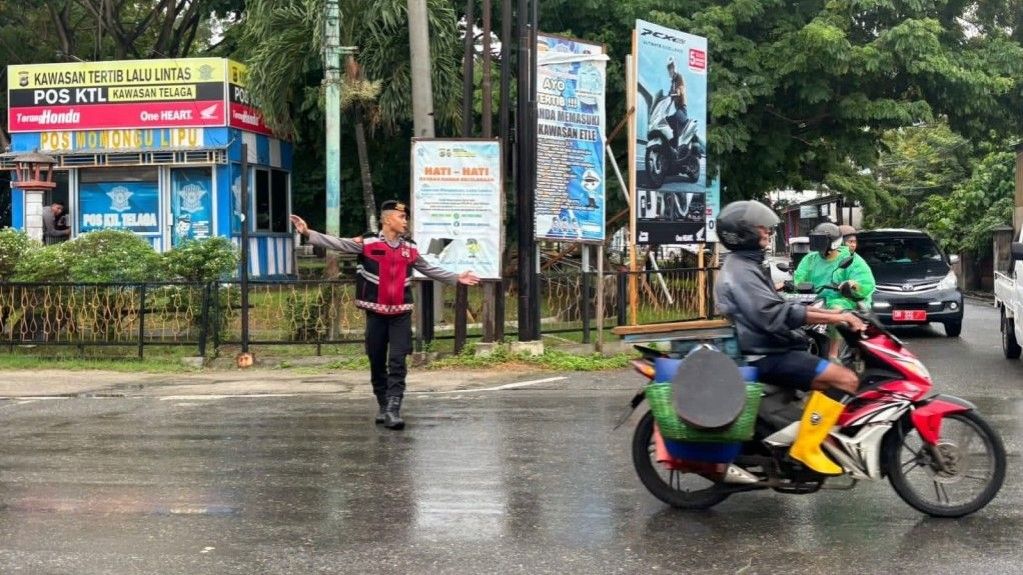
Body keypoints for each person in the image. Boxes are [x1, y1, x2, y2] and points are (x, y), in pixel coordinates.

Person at [289, 201, 480, 430]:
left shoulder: (409, 248)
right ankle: (383, 403)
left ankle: (393, 408)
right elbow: (339, 243)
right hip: (375, 313)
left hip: (401, 313)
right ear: (387, 219)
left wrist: (456, 277)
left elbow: (428, 268)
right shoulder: (367, 243)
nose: (405, 221)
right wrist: (308, 232)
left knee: (398, 360)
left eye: (405, 217)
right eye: (402, 217)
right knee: (377, 360)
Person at [715, 201, 866, 475]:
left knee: (825, 377)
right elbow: (772, 314)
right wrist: (835, 317)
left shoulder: (745, 265)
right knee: (846, 379)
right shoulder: (740, 270)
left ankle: (803, 435)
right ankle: (807, 448)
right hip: (768, 354)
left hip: (771, 347)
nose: (768, 232)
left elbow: (774, 303)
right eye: (762, 228)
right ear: (743, 232)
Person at [793, 222, 875, 359]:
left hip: (844, 299)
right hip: (815, 300)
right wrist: (796, 286)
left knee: (836, 310)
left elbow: (866, 283)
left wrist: (853, 284)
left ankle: (833, 354)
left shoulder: (851, 259)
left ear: (834, 243)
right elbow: (799, 278)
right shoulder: (810, 259)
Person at [666, 57, 688, 146]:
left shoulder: (679, 76)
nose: (670, 70)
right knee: (668, 120)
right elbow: (670, 95)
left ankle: (687, 125)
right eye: (669, 68)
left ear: (674, 67)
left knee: (677, 117)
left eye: (671, 67)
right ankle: (673, 145)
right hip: (677, 108)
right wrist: (665, 102)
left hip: (682, 107)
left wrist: (678, 91)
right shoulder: (672, 82)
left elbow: (681, 87)